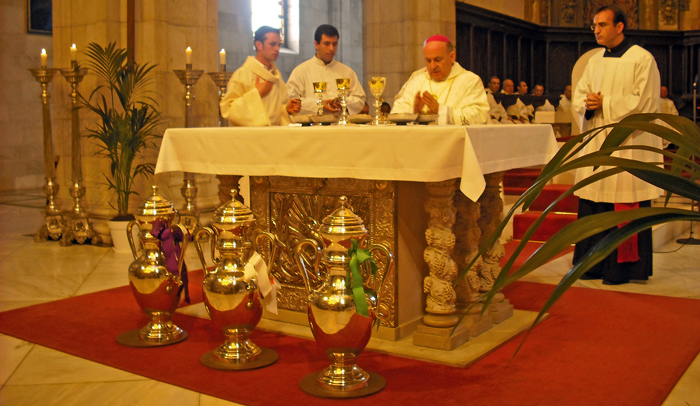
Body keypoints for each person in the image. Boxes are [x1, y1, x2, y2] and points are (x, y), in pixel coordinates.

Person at [572, 4, 661, 285]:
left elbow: (645, 103)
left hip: (627, 146)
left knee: (623, 202)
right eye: (594, 26)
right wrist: (587, 104)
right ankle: (592, 265)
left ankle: (623, 269)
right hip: (597, 143)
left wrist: (606, 104)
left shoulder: (642, 59)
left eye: (602, 25)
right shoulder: (594, 61)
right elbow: (579, 96)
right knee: (594, 202)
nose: (596, 31)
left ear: (619, 27)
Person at [391, 35, 488, 125]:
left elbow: (480, 116)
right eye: (428, 61)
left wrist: (440, 110)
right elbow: (396, 113)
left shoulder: (470, 81)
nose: (433, 66)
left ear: (452, 57)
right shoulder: (416, 80)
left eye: (437, 60)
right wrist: (414, 112)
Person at [220, 26, 300, 126]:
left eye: (279, 45)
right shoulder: (243, 74)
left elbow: (277, 112)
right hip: (253, 134)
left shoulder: (276, 77)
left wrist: (287, 110)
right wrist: (256, 94)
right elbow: (228, 109)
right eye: (272, 44)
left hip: (276, 133)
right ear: (259, 45)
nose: (277, 49)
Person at [286, 24, 366, 116]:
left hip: (340, 123)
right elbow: (291, 101)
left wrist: (342, 102)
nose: (331, 48)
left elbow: (360, 99)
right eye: (327, 44)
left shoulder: (347, 72)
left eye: (334, 44)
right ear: (316, 44)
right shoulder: (300, 71)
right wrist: (320, 105)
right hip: (312, 124)